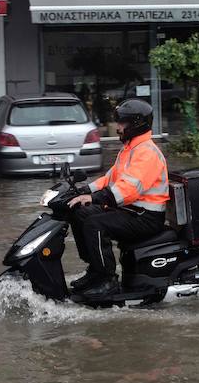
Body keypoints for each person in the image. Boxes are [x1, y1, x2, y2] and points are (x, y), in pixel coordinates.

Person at [66, 99, 169, 298]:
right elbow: (110, 178)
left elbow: (127, 190)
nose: (118, 127)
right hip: (131, 211)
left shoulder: (146, 152)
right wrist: (84, 191)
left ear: (136, 124)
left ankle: (107, 280)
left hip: (146, 217)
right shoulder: (130, 149)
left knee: (94, 224)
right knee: (79, 213)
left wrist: (95, 199)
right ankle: (95, 269)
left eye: (122, 122)